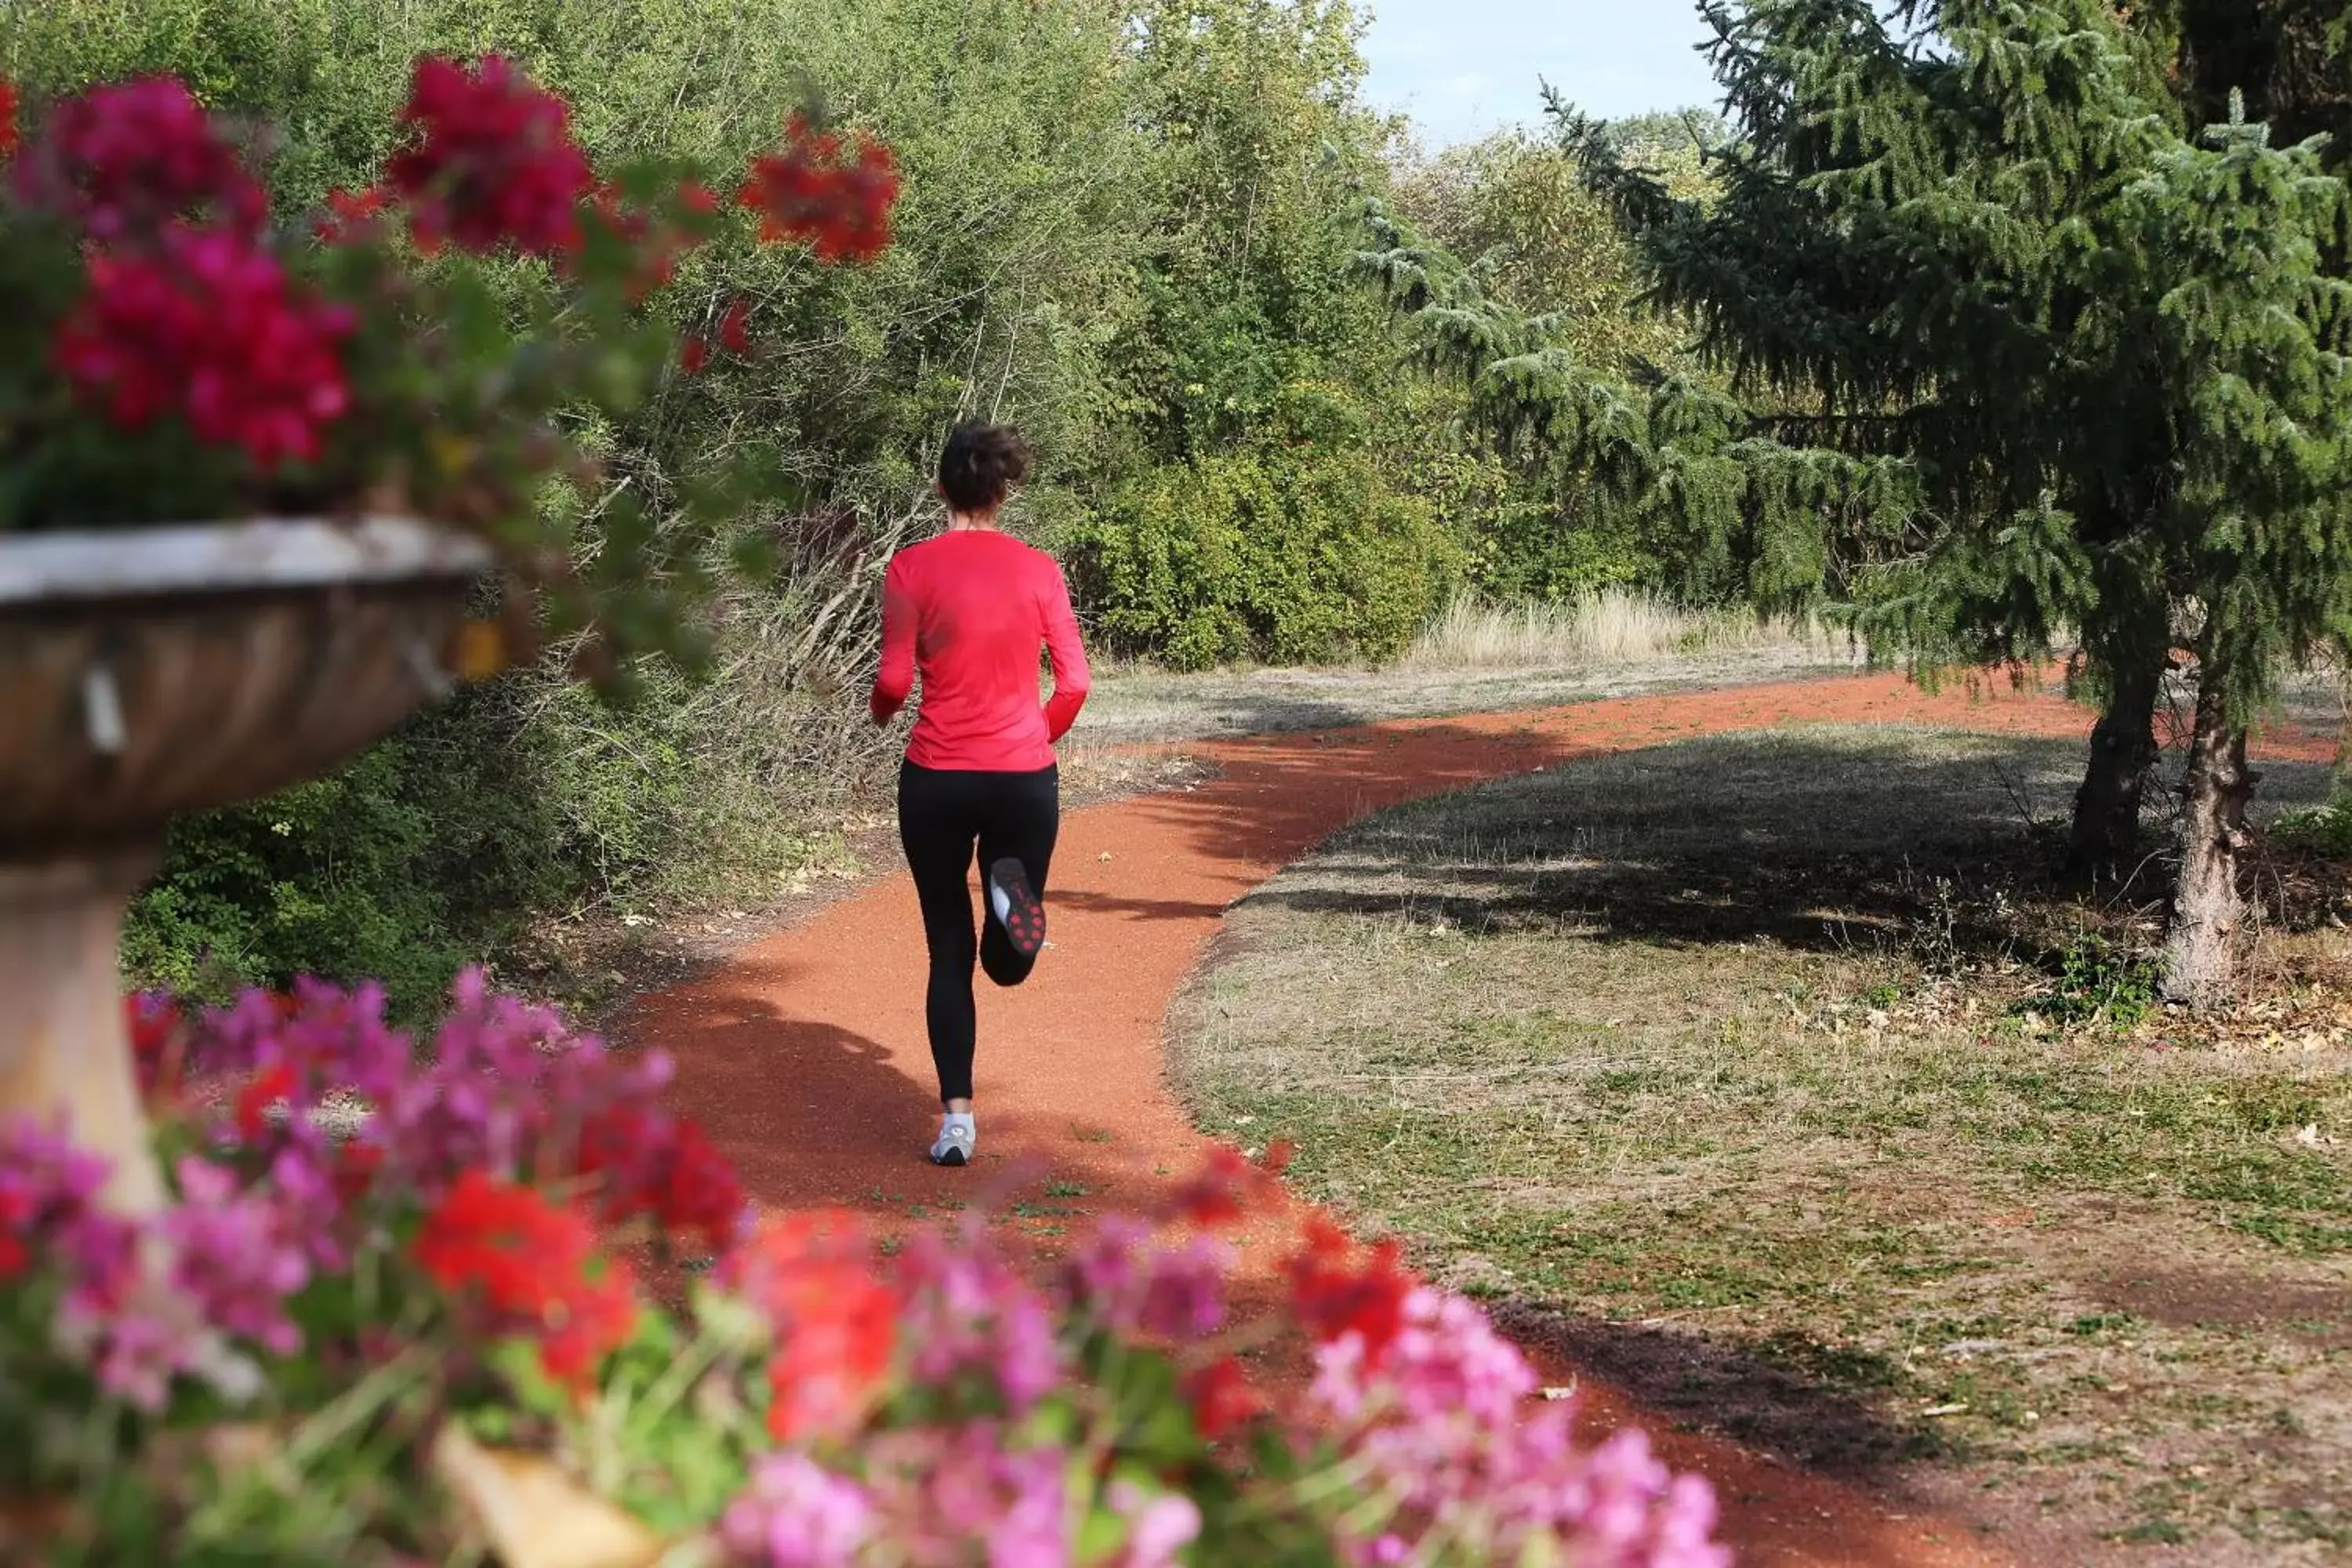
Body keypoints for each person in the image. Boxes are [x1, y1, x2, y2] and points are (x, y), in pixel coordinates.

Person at [869, 421, 1091, 1167]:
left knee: (946, 948)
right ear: (1005, 489)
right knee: (1006, 963)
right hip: (1023, 777)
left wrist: (880, 712)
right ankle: (1013, 909)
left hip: (936, 777)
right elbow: (1076, 681)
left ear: (942, 487)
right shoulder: (1039, 570)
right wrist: (1039, 735)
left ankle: (957, 1125)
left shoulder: (909, 569)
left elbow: (895, 683)